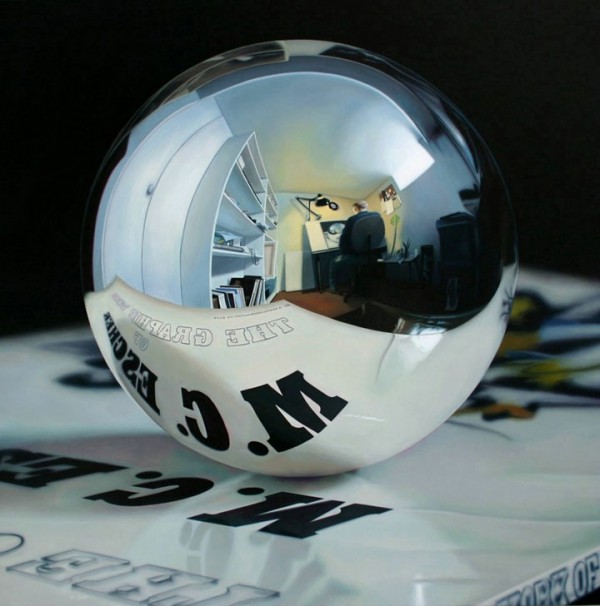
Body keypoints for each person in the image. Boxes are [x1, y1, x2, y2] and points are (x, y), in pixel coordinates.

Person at [328, 200, 384, 293]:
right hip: (372, 257)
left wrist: (344, 252)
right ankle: (355, 284)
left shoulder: (352, 219)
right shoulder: (376, 215)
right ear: (366, 207)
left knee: (334, 262)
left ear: (355, 209)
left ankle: (333, 287)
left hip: (356, 258)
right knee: (351, 261)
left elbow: (344, 240)